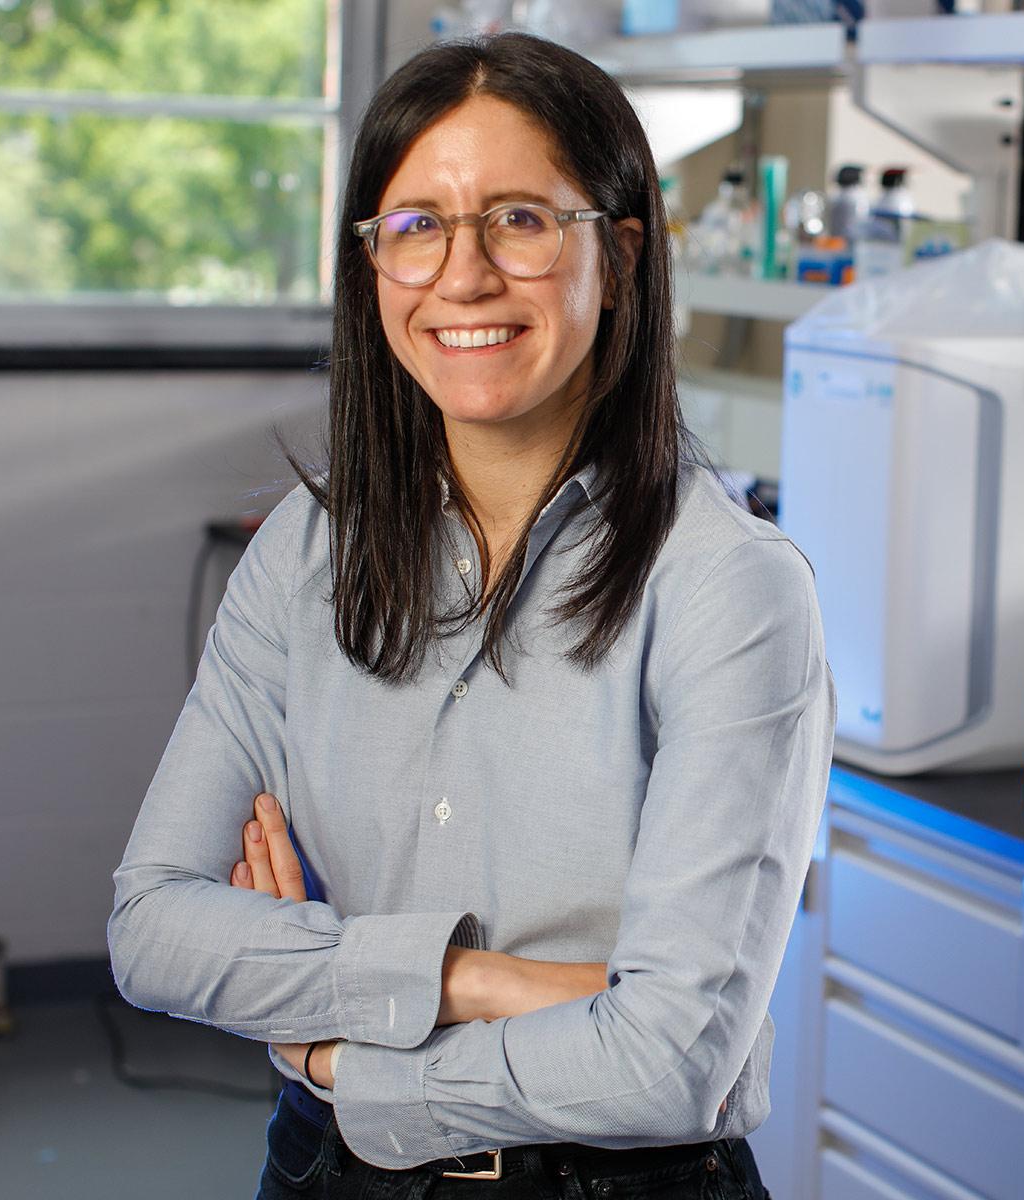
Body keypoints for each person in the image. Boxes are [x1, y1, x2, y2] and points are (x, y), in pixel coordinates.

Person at [108, 32, 834, 1200]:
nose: (462, 276)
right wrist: (470, 978)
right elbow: (151, 930)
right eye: (416, 226)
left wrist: (341, 1056)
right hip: (319, 1173)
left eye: (519, 220)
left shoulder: (726, 589)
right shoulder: (306, 554)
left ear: (623, 254)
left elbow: (669, 1062)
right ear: (371, 264)